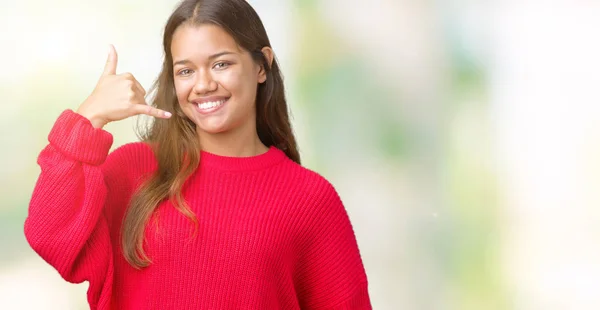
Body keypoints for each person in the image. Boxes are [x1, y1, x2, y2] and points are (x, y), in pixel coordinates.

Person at [24, 0, 371, 309]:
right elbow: (47, 232)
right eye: (185, 70)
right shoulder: (134, 170)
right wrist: (89, 118)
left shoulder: (311, 199)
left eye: (221, 64)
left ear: (262, 65)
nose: (202, 85)